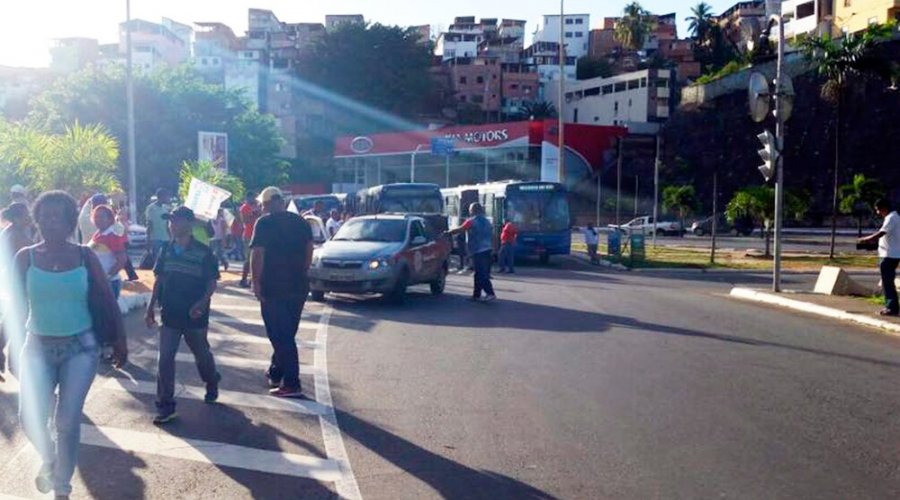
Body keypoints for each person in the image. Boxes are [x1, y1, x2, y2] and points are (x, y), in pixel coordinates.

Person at [12, 191, 126, 499]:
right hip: (36, 347)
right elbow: (10, 305)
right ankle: (49, 458)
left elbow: (106, 297)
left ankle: (62, 487)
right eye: (45, 215)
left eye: (58, 216)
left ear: (69, 221)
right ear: (37, 220)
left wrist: (120, 339)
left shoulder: (85, 256)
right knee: (29, 417)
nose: (52, 221)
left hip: (81, 347)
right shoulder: (25, 257)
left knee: (66, 420)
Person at [145, 206, 220, 424]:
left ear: (189, 224)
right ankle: (165, 406)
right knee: (165, 359)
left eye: (176, 220)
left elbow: (211, 283)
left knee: (202, 355)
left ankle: (211, 380)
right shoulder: (166, 250)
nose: (172, 224)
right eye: (170, 221)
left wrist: (201, 303)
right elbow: (158, 280)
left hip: (195, 315)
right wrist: (150, 308)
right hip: (169, 314)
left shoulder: (204, 252)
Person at [250, 187, 313, 398]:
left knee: (279, 335)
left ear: (268, 203)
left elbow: (258, 255)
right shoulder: (301, 222)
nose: (262, 208)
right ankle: (276, 371)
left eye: (263, 204)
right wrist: (301, 272)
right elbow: (309, 252)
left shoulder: (264, 223)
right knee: (287, 331)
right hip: (298, 286)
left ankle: (292, 383)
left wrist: (256, 282)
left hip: (273, 286)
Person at [0, 202, 34, 381]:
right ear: (16, 218)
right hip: (18, 282)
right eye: (25, 215)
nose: (28, 217)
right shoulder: (16, 235)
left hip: (13, 281)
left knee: (11, 318)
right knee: (20, 321)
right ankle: (15, 362)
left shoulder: (12, 232)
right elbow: (34, 252)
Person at [445, 203, 496, 302]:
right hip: (487, 249)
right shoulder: (487, 222)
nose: (469, 211)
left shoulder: (471, 221)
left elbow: (460, 229)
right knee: (478, 273)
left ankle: (490, 293)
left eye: (470, 209)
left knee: (481, 273)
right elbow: (493, 236)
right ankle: (476, 295)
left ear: (473, 210)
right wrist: (493, 249)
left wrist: (448, 233)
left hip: (478, 250)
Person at [859, 199, 900, 316]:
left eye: (878, 209)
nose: (877, 212)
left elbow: (881, 233)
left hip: (889, 255)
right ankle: (891, 306)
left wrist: (866, 239)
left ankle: (891, 308)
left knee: (887, 283)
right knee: (887, 282)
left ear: (884, 208)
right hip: (890, 254)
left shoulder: (892, 217)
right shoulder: (893, 217)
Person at [88, 205, 128, 300]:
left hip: (109, 284)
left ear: (109, 219)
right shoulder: (97, 234)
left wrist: (106, 278)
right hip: (96, 282)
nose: (98, 219)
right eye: (96, 216)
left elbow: (122, 261)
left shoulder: (113, 236)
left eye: (102, 217)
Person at [239, 193, 261, 288]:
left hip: (259, 234)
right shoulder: (245, 207)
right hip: (248, 235)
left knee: (258, 258)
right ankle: (243, 279)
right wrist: (253, 214)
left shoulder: (259, 206)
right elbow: (245, 221)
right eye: (252, 197)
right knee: (249, 259)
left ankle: (253, 280)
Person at [145, 188, 172, 261]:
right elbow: (149, 224)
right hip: (155, 239)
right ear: (162, 196)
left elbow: (167, 225)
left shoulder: (166, 208)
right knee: (157, 261)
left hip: (166, 238)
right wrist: (148, 240)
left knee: (166, 260)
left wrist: (171, 238)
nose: (168, 198)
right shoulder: (151, 208)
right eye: (167, 196)